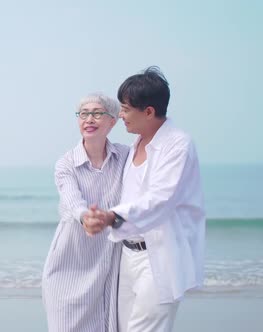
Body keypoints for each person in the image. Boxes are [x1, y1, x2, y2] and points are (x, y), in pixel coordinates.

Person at [83, 67, 206, 332]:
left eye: (126, 109)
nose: (121, 115)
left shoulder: (178, 145)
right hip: (127, 256)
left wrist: (111, 216)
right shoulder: (135, 145)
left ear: (148, 111)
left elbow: (161, 199)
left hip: (158, 258)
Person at [42, 92, 129, 332]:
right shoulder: (66, 163)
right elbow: (72, 200)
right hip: (71, 259)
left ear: (113, 121)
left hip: (109, 259)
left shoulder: (125, 156)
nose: (89, 119)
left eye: (97, 113)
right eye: (84, 114)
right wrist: (86, 218)